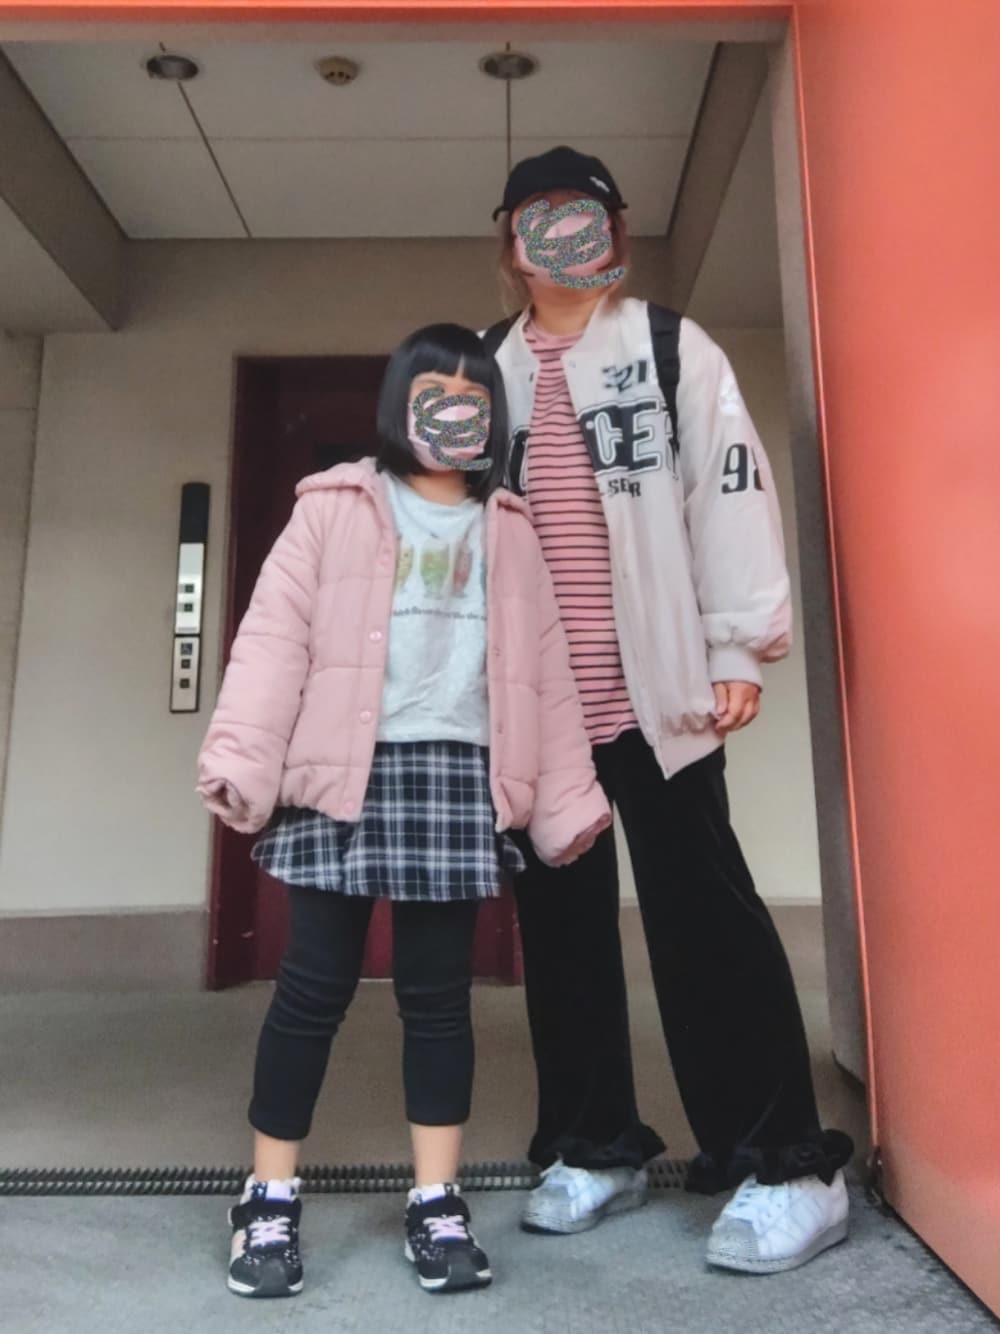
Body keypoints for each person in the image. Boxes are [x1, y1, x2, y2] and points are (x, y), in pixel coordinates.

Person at [482, 146, 854, 1274]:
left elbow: (726, 493)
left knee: (704, 921)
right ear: (511, 241)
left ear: (615, 231)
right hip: (541, 715)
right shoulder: (484, 365)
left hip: (658, 697)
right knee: (562, 933)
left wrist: (737, 642)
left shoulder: (667, 346)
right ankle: (595, 1144)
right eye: (539, 215)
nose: (562, 233)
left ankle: (788, 1164)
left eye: (582, 213)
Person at [197, 322, 611, 1299]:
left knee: (437, 999)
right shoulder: (333, 507)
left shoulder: (510, 528)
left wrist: (566, 799)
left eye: (473, 400)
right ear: (400, 404)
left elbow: (545, 671)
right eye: (436, 395)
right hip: (343, 772)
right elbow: (273, 640)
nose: (456, 413)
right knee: (310, 991)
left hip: (457, 780)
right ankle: (268, 1195)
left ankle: (436, 1199)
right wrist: (242, 761)